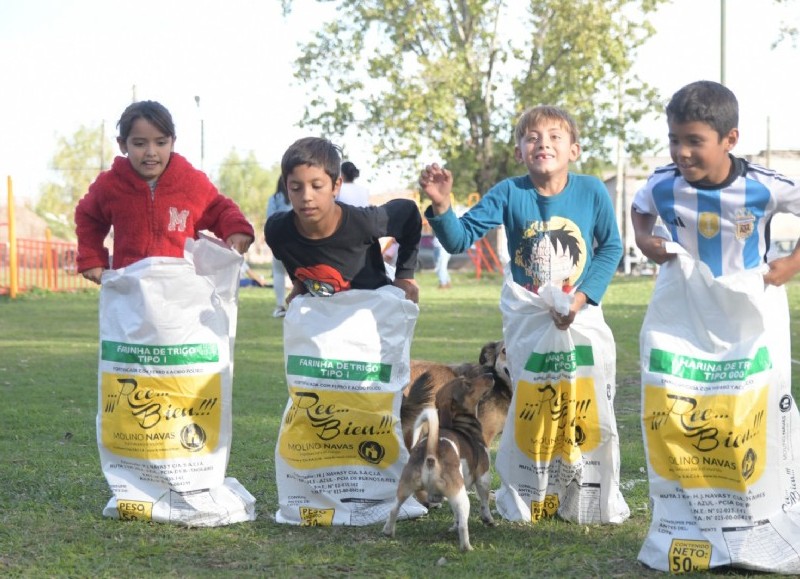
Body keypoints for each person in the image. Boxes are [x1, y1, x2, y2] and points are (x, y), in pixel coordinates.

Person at [419, 105, 622, 328]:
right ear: (519, 153)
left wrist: (579, 299)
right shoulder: (508, 192)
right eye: (533, 138)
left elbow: (611, 247)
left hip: (581, 314)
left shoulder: (591, 190)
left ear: (574, 150)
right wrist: (442, 204)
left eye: (555, 136)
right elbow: (458, 241)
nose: (544, 143)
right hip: (527, 320)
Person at [632, 80, 800, 282]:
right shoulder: (662, 183)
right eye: (674, 140)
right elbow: (640, 206)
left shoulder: (763, 185)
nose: (682, 152)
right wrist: (642, 237)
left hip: (748, 302)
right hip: (686, 299)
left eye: (695, 141)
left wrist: (793, 262)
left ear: (730, 140)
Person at [75, 100, 254, 281]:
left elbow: (219, 208)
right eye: (139, 144)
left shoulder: (191, 182)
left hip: (182, 289)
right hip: (131, 289)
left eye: (160, 143)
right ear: (123, 144)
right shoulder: (110, 185)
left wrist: (236, 228)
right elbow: (88, 216)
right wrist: (91, 257)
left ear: (172, 142)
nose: (151, 152)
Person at [264, 137, 421, 304]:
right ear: (286, 187)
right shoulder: (277, 230)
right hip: (325, 317)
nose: (306, 197)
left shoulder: (365, 223)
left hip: (374, 313)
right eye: (295, 188)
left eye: (316, 186)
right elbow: (289, 256)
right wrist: (299, 284)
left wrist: (405, 275)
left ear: (336, 186)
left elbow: (408, 213)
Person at [266, 178, 293, 316]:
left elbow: (269, 220)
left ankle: (280, 305)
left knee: (278, 273)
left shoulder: (274, 199)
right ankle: (299, 303)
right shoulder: (297, 198)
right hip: (296, 241)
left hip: (279, 241)